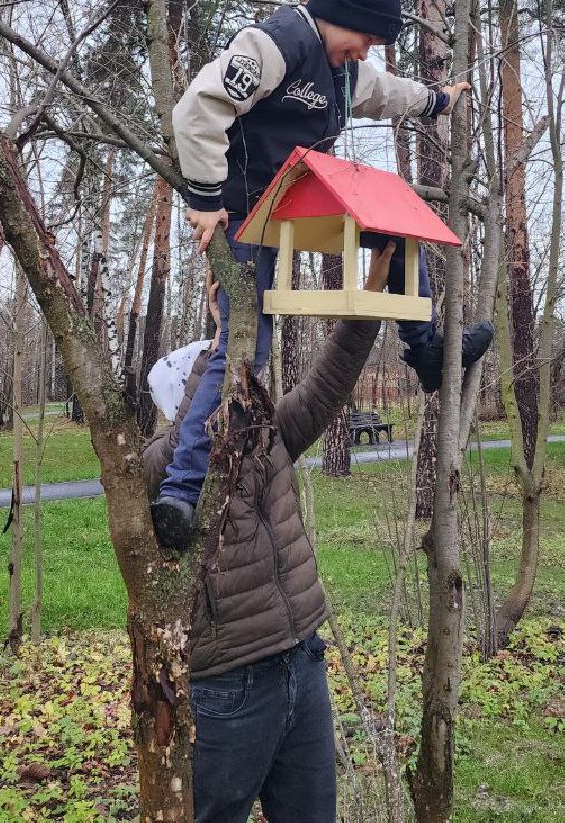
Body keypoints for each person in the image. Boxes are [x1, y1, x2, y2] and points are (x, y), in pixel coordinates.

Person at [152, 0, 493, 549]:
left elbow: (390, 93)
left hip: (298, 194)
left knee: (394, 225)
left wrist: (440, 99)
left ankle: (425, 348)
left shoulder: (346, 70)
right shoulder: (274, 44)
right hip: (242, 209)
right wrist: (205, 198)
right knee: (246, 346)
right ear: (338, 12)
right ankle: (181, 491)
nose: (364, 51)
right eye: (362, 36)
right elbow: (199, 108)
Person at [143, 245, 397, 822]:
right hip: (230, 686)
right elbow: (184, 439)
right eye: (214, 385)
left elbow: (326, 387)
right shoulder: (162, 475)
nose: (234, 398)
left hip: (302, 664)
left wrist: (371, 297)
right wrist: (221, 344)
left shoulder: (267, 440)